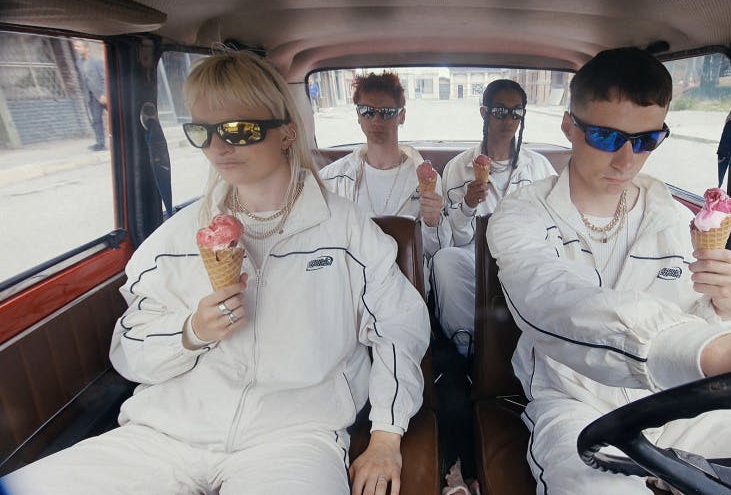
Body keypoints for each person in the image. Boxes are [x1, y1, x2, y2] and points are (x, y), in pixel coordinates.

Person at [1, 50, 429, 495]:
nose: (218, 146)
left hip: (294, 438)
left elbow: (399, 329)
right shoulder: (174, 240)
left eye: (239, 130)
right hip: (162, 434)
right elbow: (130, 350)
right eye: (201, 132)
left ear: (286, 133)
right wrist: (189, 333)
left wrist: (385, 434)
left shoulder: (347, 231)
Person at [487, 47, 731, 494]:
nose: (626, 160)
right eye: (605, 137)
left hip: (687, 399)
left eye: (646, 141)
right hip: (576, 401)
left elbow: (719, 326)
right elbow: (555, 300)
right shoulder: (520, 214)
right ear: (568, 127)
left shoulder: (677, 218)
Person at [433, 79, 556, 355]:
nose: (509, 119)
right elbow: (453, 238)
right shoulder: (457, 168)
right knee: (444, 261)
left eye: (516, 112)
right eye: (500, 110)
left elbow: (555, 226)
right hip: (475, 257)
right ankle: (467, 350)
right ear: (484, 112)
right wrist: (467, 206)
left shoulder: (539, 168)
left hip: (526, 258)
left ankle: (537, 349)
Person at [319, 71, 451, 289]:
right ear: (358, 116)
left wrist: (432, 222)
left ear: (402, 116)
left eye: (387, 112)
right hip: (351, 286)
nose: (376, 119)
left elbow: (436, 252)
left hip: (407, 284)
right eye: (368, 111)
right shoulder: (332, 179)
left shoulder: (427, 179)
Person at [72, 39, 108, 151]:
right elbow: (84, 80)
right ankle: (100, 144)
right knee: (96, 120)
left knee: (117, 117)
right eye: (75, 46)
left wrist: (105, 94)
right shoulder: (79, 62)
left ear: (87, 48)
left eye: (78, 46)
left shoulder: (97, 61)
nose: (76, 48)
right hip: (92, 97)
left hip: (104, 96)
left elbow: (105, 78)